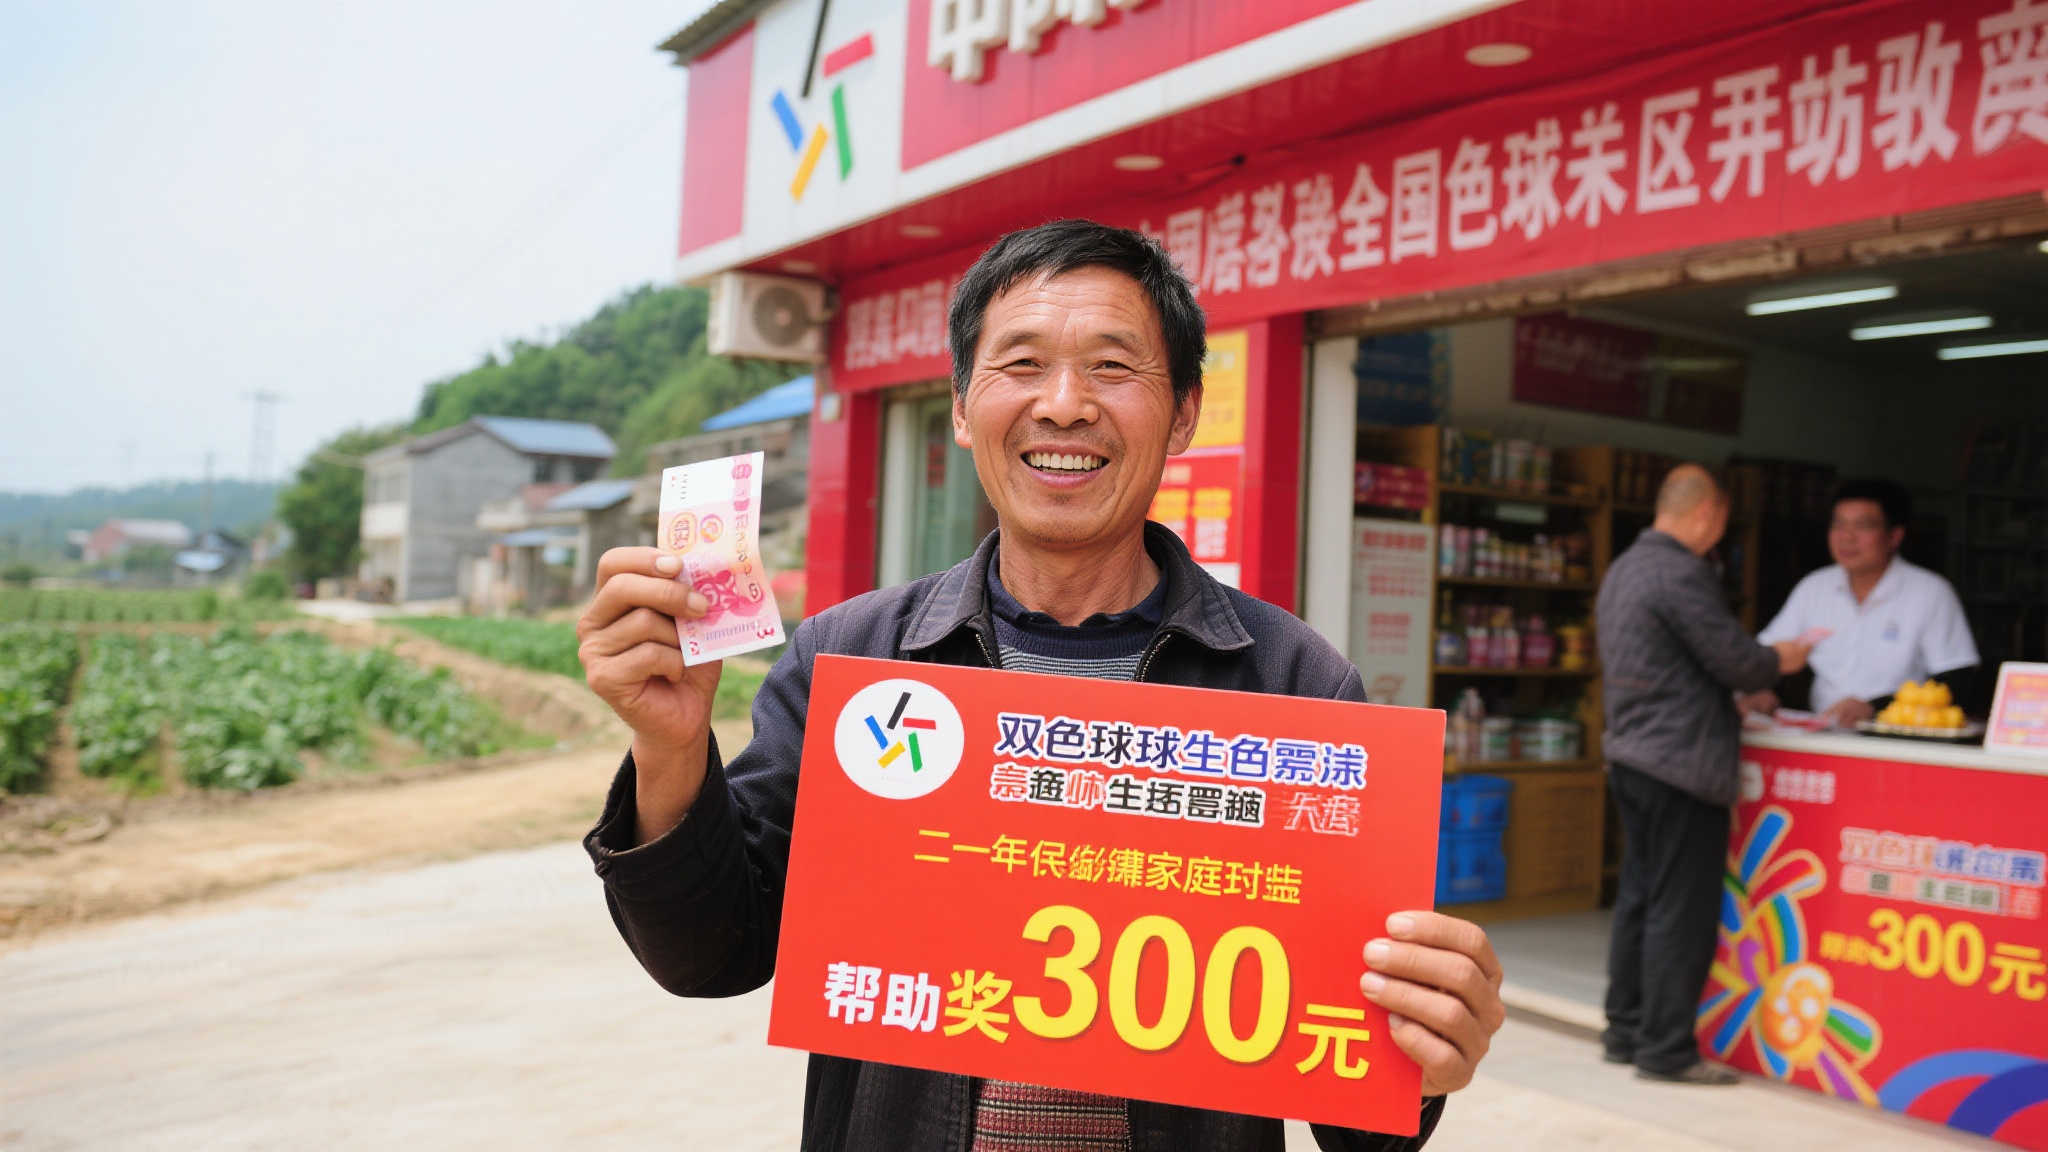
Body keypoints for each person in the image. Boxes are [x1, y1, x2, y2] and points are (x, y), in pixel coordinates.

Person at [576, 220, 1505, 1150]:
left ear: (1184, 414)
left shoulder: (1295, 687)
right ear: (960, 408)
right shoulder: (853, 663)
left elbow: (1356, 1105)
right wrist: (670, 747)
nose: (1063, 406)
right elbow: (712, 955)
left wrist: (1421, 1062)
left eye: (1112, 367)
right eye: (1021, 364)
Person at [1595, 464, 1813, 1085]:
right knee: (1679, 910)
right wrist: (1782, 658)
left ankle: (1624, 1030)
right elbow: (1737, 662)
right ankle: (1666, 1050)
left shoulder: (1625, 568)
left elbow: (1676, 665)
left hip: (1634, 757)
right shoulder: (1681, 572)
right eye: (1720, 522)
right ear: (1706, 515)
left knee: (1640, 897)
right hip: (1680, 764)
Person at [1743, 478, 1979, 727]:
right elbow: (1765, 653)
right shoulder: (1814, 587)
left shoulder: (1930, 592)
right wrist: (1758, 689)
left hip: (1897, 735)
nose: (1847, 537)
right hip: (1821, 732)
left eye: (1862, 526)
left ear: (1894, 536)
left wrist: (1875, 707)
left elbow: (1957, 681)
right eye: (1838, 524)